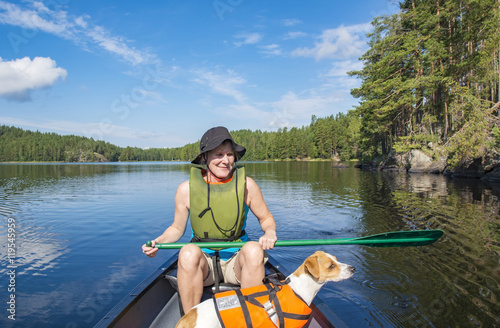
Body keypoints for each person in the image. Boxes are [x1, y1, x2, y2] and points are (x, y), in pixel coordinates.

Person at [142, 126, 277, 314]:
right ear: (204, 157)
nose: (226, 160)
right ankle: (191, 321)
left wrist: (270, 232)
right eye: (219, 154)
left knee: (255, 249)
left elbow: (266, 218)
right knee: (187, 252)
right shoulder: (186, 190)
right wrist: (158, 242)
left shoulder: (248, 185)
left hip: (237, 263)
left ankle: (251, 318)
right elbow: (176, 228)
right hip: (203, 265)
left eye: (230, 154)